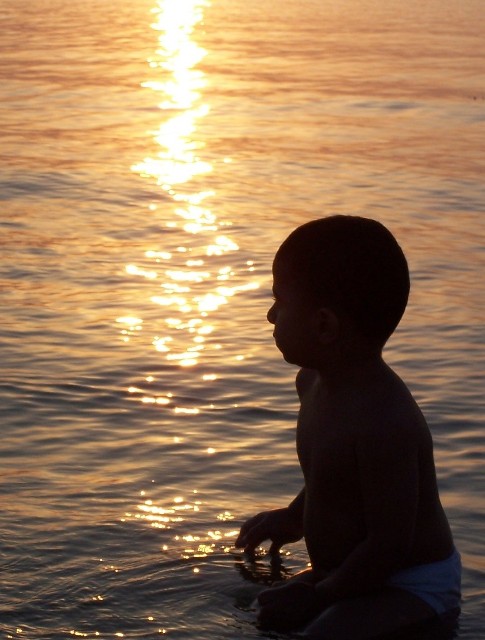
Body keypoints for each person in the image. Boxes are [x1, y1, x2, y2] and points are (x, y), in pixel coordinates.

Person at [235, 216, 461, 639]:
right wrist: (293, 516)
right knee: (260, 607)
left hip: (409, 582)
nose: (269, 315)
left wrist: (321, 595)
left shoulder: (383, 421)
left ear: (323, 326)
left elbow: (388, 546)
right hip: (351, 571)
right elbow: (330, 478)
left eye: (280, 301)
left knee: (323, 633)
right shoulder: (312, 385)